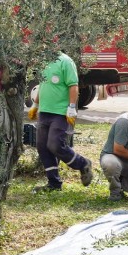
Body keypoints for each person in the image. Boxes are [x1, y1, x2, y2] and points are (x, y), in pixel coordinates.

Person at [32, 50, 94, 191]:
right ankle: (54, 183)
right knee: (42, 147)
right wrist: (35, 105)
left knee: (55, 145)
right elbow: (43, 86)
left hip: (61, 113)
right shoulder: (44, 62)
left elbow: (73, 85)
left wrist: (71, 107)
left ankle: (83, 163)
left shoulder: (66, 61)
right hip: (44, 111)